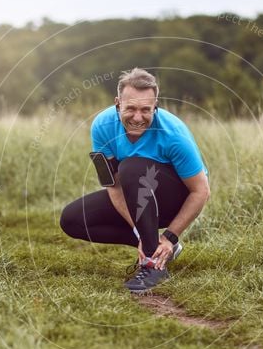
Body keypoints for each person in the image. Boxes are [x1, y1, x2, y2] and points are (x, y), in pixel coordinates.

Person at [60, 67, 210, 293]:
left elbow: (201, 191)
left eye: (145, 110)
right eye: (130, 108)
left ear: (155, 106)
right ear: (117, 103)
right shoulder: (101, 126)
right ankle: (153, 246)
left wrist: (170, 236)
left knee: (131, 166)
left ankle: (154, 265)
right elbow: (113, 184)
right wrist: (140, 233)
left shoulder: (174, 135)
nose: (137, 118)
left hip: (173, 200)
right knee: (71, 219)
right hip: (135, 194)